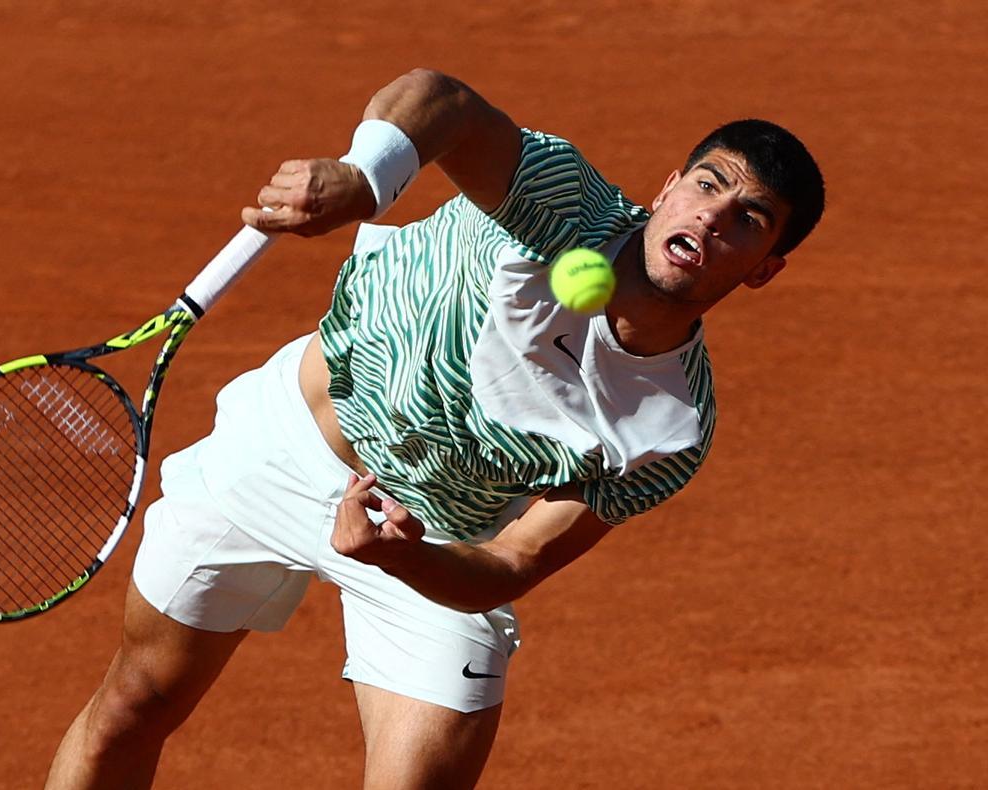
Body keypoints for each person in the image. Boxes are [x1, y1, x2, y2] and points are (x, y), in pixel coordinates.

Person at [45, 68, 825, 789]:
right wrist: (362, 178)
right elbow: (439, 100)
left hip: (432, 540)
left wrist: (406, 559)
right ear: (668, 189)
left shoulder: (673, 426)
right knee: (131, 708)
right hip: (284, 443)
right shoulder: (561, 203)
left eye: (748, 219)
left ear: (763, 267)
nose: (712, 215)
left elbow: (516, 560)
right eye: (706, 184)